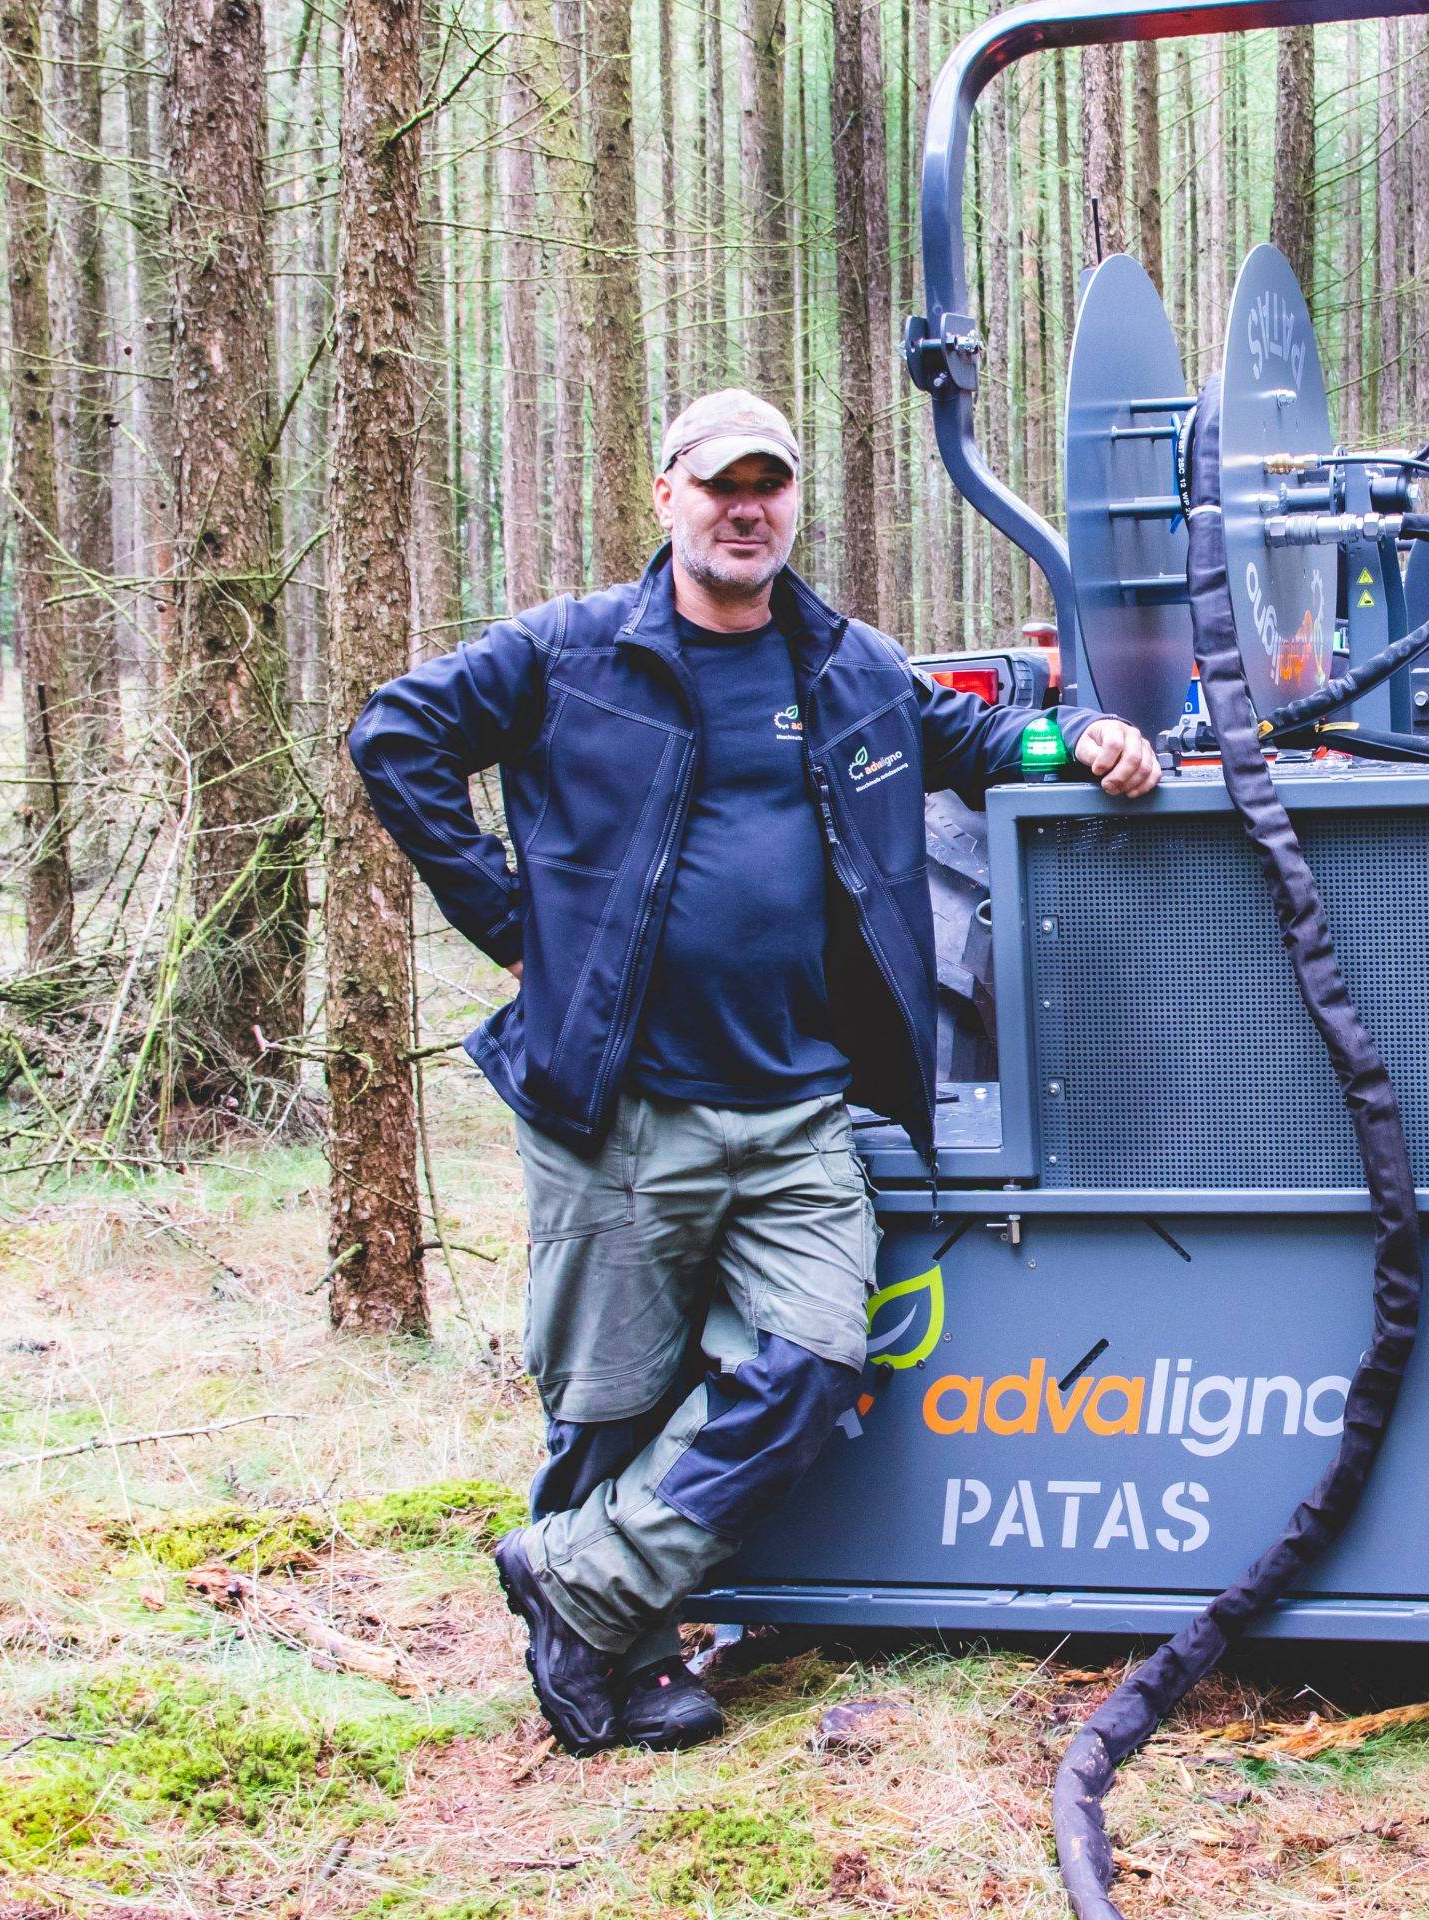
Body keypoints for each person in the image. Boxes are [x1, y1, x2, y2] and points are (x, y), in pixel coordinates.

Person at [348, 389, 1160, 1753]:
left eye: (769, 483)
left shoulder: (845, 666)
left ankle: (575, 1578)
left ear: (793, 503)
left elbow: (971, 742)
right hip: (621, 1109)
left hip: (795, 1110)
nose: (746, 507)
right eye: (719, 482)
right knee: (614, 1401)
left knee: (812, 1366)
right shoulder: (571, 656)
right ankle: (631, 1660)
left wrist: (1075, 734)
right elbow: (396, 737)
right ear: (667, 496)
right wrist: (513, 923)